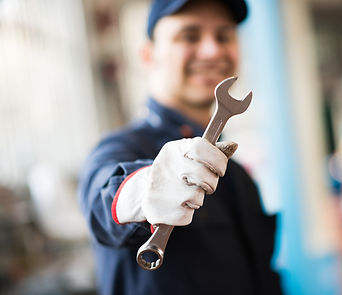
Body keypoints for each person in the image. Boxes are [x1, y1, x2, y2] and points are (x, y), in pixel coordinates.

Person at [78, 0, 282, 294]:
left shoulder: (238, 176)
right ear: (148, 56)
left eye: (223, 36)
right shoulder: (120, 148)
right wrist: (143, 189)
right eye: (189, 35)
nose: (212, 50)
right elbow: (102, 198)